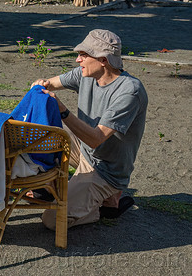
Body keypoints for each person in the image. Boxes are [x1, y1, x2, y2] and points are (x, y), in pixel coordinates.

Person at [32, 29, 148, 230]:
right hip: (84, 150)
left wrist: (63, 112)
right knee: (42, 134)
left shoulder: (130, 91)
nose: (78, 60)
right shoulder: (85, 74)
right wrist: (41, 85)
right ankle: (54, 187)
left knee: (51, 221)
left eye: (83, 55)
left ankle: (103, 206)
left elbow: (96, 139)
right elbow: (51, 83)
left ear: (103, 60)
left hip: (106, 169)